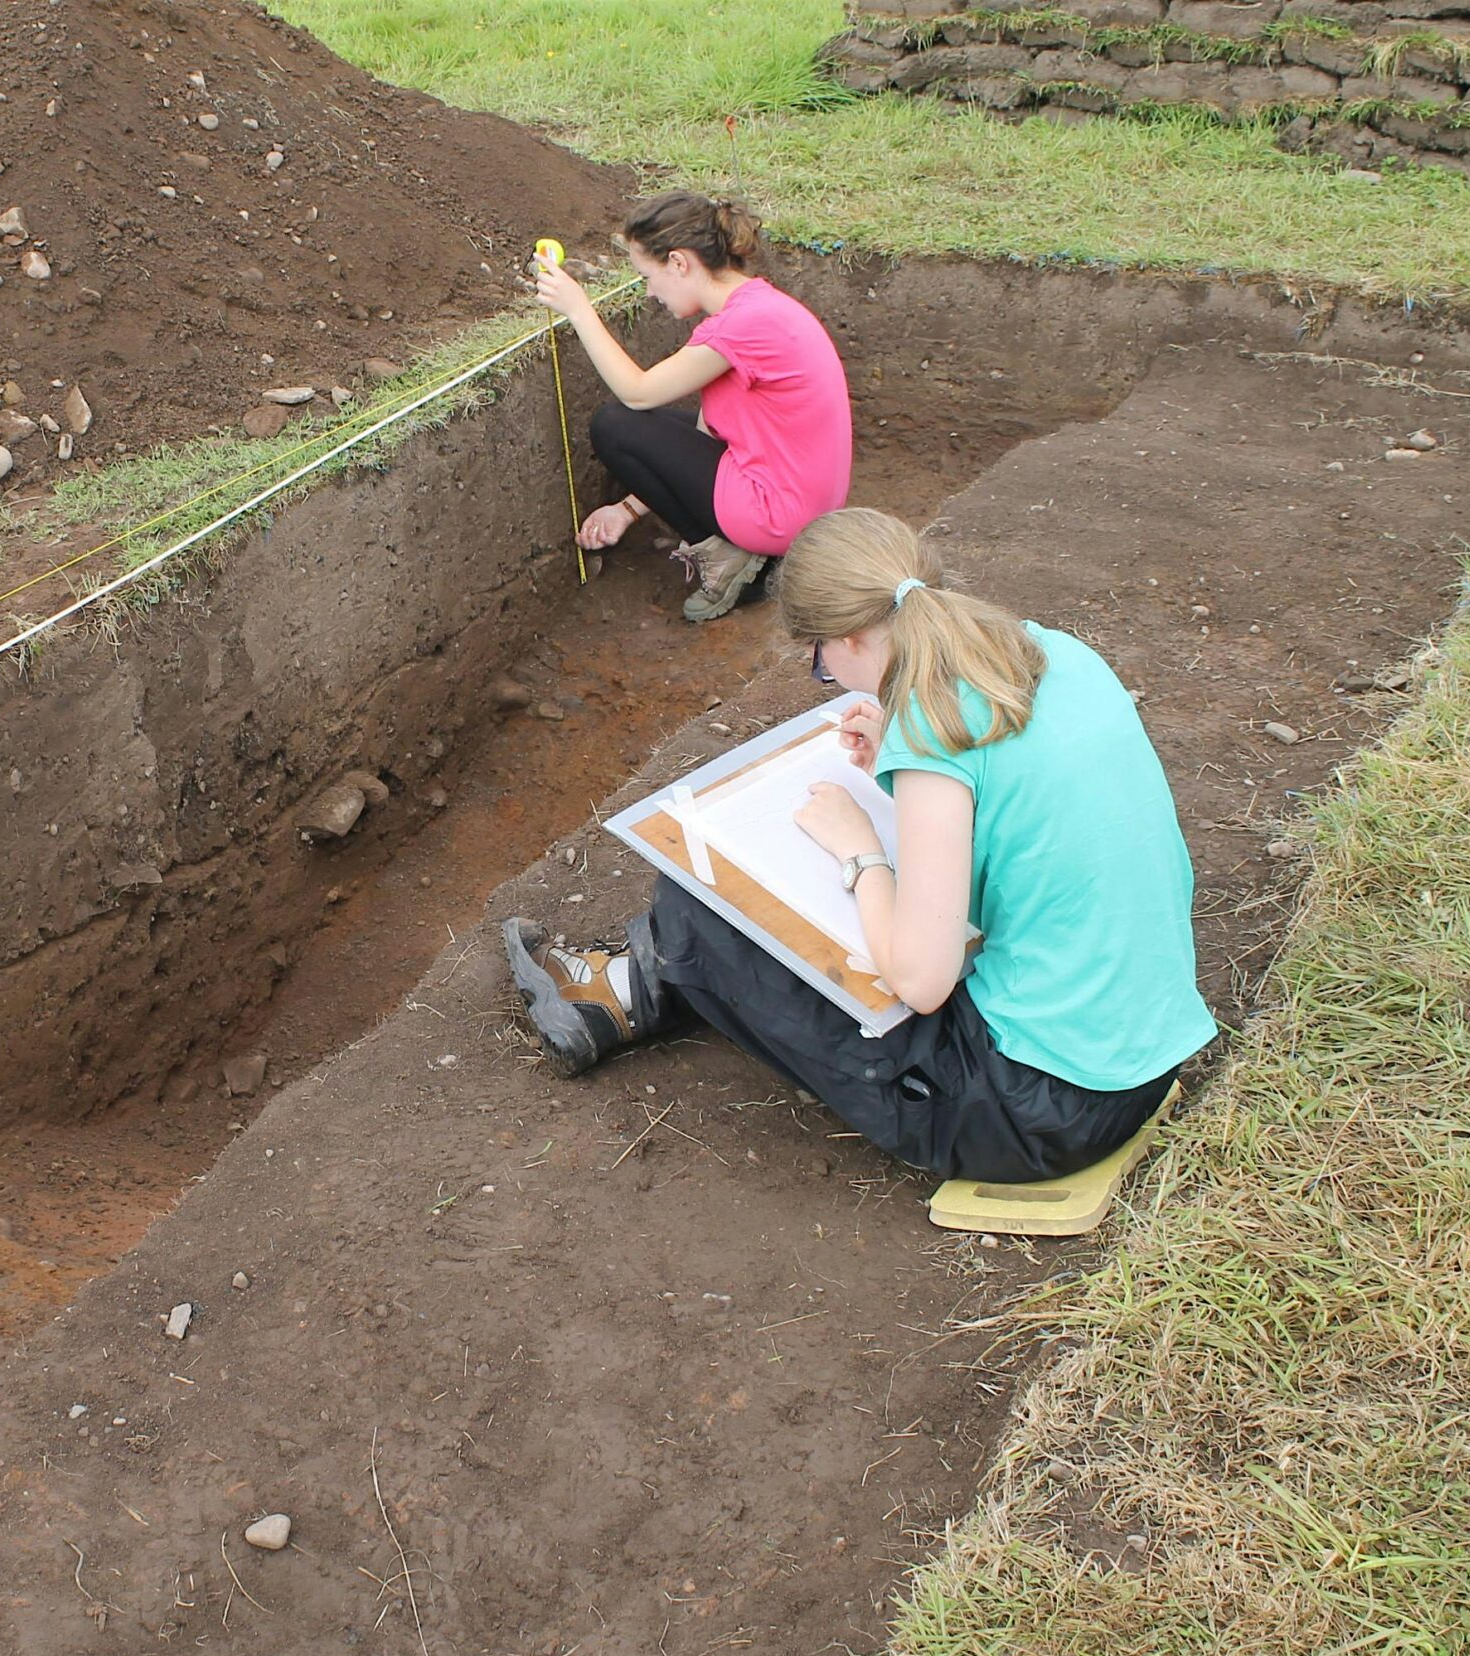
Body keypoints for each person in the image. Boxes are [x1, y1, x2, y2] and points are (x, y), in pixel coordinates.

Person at [501, 508, 1216, 1184]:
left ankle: (625, 994)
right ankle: (637, 990)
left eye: (819, 660)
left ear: (843, 640)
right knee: (745, 923)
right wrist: (904, 771)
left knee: (694, 905)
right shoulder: (1052, 653)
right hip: (1141, 1056)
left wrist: (861, 850)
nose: (827, 673)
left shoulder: (934, 733)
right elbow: (1023, 814)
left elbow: (922, 981)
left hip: (1033, 1111)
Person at [532, 189, 853, 623]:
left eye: (649, 275)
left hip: (781, 515)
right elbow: (703, 441)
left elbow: (638, 392)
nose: (649, 292)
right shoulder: (758, 307)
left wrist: (578, 309)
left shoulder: (739, 328)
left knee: (617, 426)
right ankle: (742, 548)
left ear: (680, 263)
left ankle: (731, 561)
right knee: (650, 429)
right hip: (802, 502)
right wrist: (628, 509)